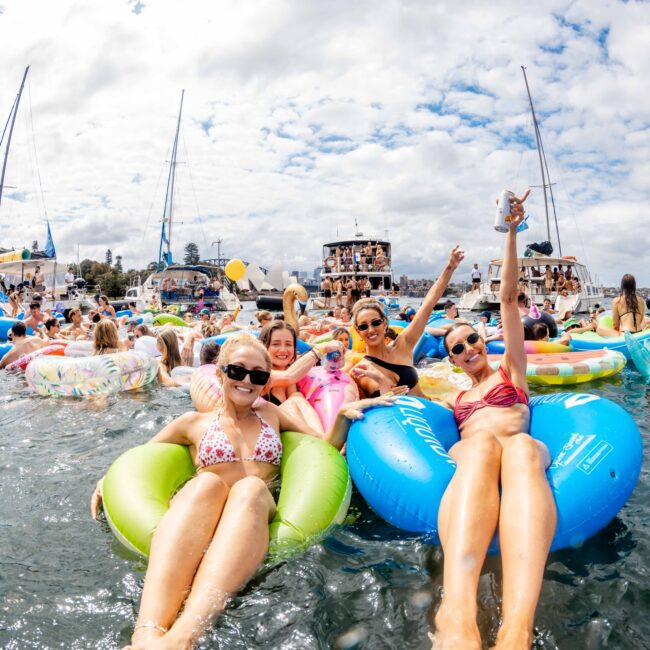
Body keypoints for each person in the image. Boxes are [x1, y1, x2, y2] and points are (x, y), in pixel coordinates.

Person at [90, 334, 390, 647]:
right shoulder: (192, 422)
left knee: (249, 488)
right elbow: (140, 464)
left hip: (253, 508)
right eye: (237, 371)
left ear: (265, 381)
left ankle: (184, 636)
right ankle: (146, 634)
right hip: (203, 513)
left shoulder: (272, 415)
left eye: (258, 375)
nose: (247, 380)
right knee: (206, 483)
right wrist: (107, 481)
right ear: (220, 373)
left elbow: (323, 449)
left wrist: (343, 416)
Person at [431, 190, 556, 649]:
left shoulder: (511, 371)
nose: (467, 350)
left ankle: (515, 630)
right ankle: (457, 617)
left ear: (483, 340)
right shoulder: (457, 399)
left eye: (471, 340)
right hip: (477, 452)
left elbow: (506, 300)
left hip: (517, 450)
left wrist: (510, 233)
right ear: (453, 362)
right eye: (457, 349)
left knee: (520, 447)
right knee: (482, 446)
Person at [350, 247, 464, 399]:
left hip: (430, 407)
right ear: (358, 332)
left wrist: (450, 267)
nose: (370, 329)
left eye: (375, 322)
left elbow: (428, 304)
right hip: (400, 419)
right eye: (363, 326)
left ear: (385, 324)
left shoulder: (403, 345)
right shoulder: (361, 370)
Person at [259, 321, 346, 434]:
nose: (283, 350)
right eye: (276, 344)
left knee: (296, 396)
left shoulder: (291, 368)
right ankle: (324, 441)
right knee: (295, 399)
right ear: (264, 347)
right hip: (270, 432)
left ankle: (324, 439)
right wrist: (321, 348)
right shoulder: (260, 374)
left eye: (288, 344)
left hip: (298, 436)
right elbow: (288, 376)